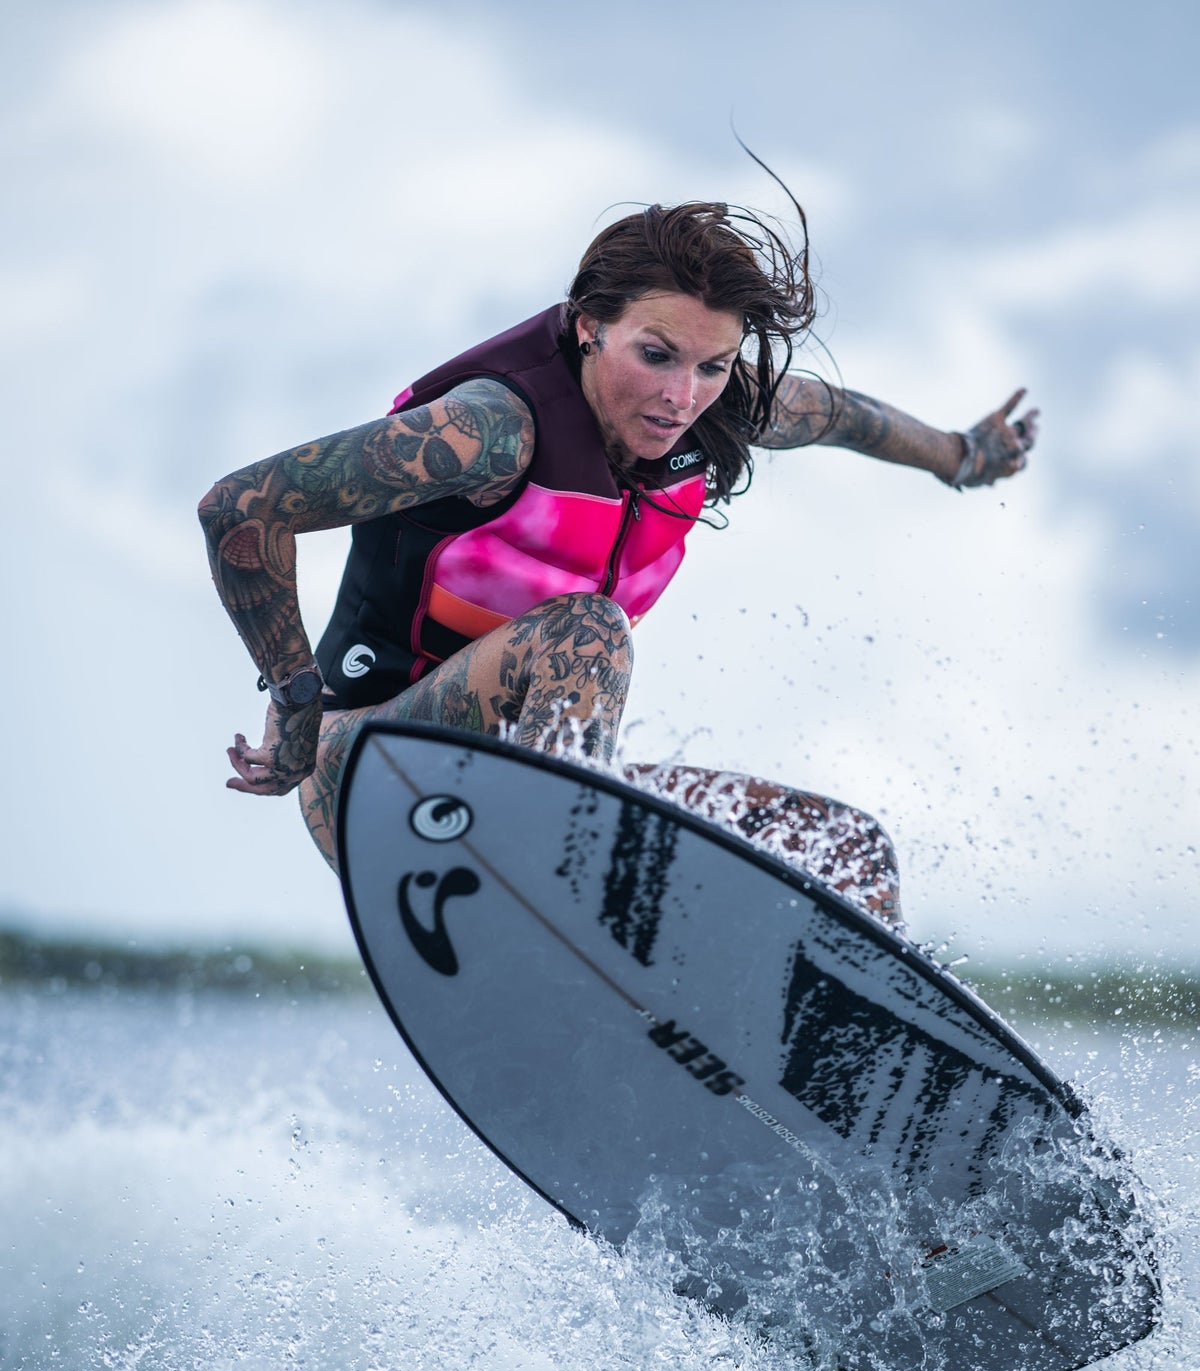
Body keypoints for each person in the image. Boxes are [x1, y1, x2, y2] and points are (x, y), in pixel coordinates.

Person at [198, 200, 1036, 926]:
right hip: (369, 768)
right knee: (588, 633)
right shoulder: (491, 431)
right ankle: (559, 912)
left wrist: (962, 455)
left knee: (842, 847)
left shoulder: (716, 408)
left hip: (535, 792)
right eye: (658, 355)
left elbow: (840, 416)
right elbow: (244, 506)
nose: (683, 397)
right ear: (591, 324)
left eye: (712, 366)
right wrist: (297, 699)